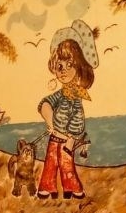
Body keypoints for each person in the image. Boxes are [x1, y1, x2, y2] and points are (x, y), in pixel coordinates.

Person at [36, 19, 98, 199]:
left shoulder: (76, 96)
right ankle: (48, 187)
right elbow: (45, 103)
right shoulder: (60, 94)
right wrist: (50, 122)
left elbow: (78, 120)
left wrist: (71, 140)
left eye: (69, 65)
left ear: (79, 68)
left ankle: (72, 188)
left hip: (67, 140)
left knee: (66, 164)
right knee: (50, 162)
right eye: (59, 66)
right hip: (54, 137)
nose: (63, 71)